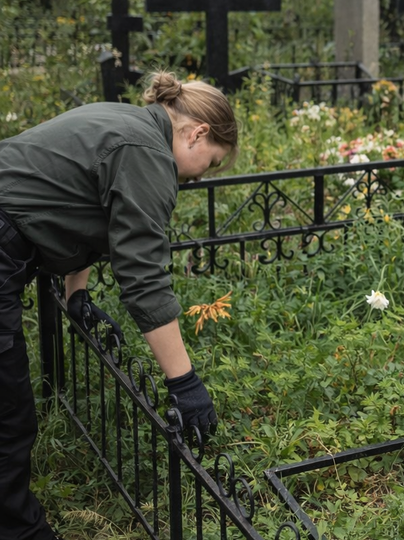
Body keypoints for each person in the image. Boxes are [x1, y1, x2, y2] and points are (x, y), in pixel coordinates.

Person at [0, 71, 237, 540]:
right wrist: (184, 382)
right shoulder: (147, 153)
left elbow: (79, 206)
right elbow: (143, 276)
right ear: (198, 133)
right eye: (209, 164)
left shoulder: (125, 121)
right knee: (8, 418)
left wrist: (77, 294)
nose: (198, 177)